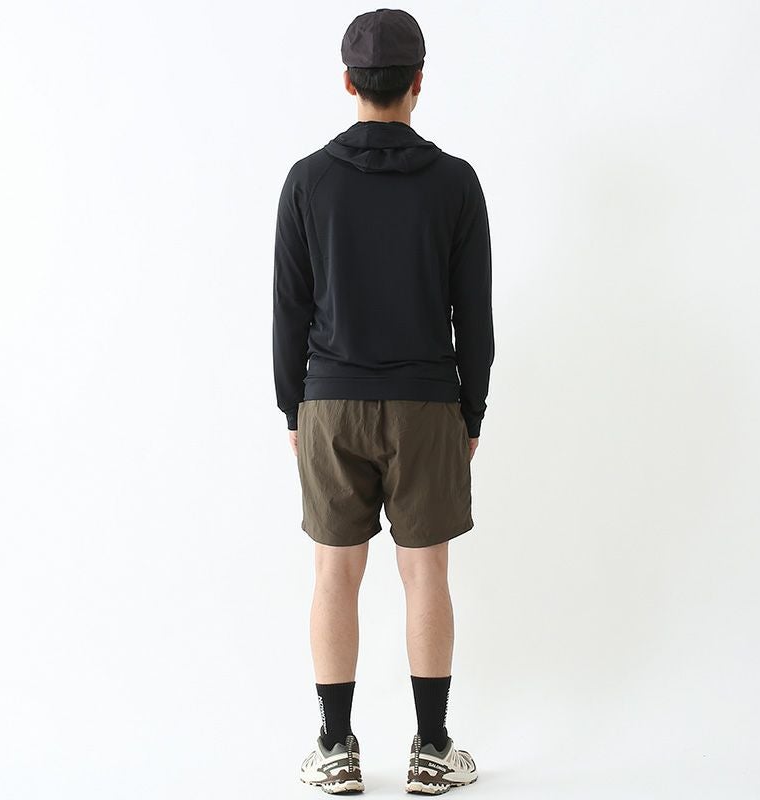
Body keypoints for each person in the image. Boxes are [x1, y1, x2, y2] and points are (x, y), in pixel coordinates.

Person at [272, 8, 494, 795]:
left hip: (331, 401)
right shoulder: (455, 183)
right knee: (425, 572)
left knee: (335, 572)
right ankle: (432, 750)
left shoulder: (307, 181)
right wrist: (471, 411)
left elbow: (289, 311)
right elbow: (474, 315)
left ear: (348, 82)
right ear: (418, 82)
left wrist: (293, 410)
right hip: (429, 402)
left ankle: (335, 749)